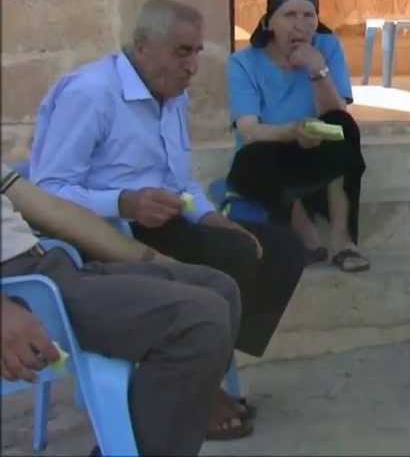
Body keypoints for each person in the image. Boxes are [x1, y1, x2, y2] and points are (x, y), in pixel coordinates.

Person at [28, 0, 308, 419]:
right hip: (105, 236)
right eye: (182, 52)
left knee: (278, 248)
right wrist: (123, 202)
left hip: (163, 224)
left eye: (197, 52)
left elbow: (181, 182)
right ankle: (195, 386)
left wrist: (213, 217)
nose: (193, 66)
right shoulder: (90, 93)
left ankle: (201, 365)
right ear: (143, 47)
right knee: (227, 259)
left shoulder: (172, 95)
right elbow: (45, 193)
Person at [1, 163, 246, 451]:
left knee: (218, 287)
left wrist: (151, 259)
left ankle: (139, 437)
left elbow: (52, 211)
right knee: (199, 321)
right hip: (18, 290)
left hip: (49, 265)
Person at [225, 0, 370, 273]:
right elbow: (249, 130)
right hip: (272, 151)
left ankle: (343, 241)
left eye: (309, 16)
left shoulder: (326, 47)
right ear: (269, 22)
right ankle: (308, 238)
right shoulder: (243, 63)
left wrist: (317, 69)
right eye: (289, 15)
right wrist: (292, 132)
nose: (300, 24)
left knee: (345, 126)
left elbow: (336, 113)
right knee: (250, 160)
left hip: (317, 150)